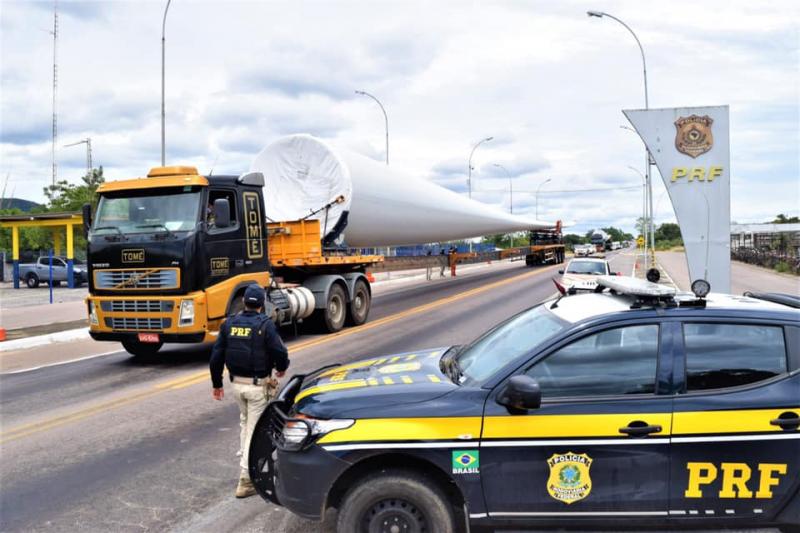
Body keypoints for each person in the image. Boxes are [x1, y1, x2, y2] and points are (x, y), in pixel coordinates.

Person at [210, 284, 289, 499]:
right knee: (255, 431)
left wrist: (217, 384)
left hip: (237, 386)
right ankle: (245, 479)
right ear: (262, 304)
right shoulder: (265, 325)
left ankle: (245, 459)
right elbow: (279, 351)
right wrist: (282, 368)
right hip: (256, 388)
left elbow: (216, 357)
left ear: (244, 302)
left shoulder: (229, 324)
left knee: (245, 423)